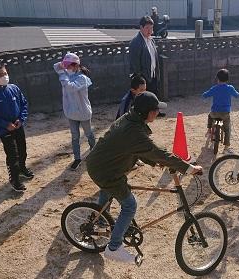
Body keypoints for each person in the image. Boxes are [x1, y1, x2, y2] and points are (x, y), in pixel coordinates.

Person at [86, 91, 202, 263]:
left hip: (101, 163)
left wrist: (155, 161)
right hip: (107, 171)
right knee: (130, 205)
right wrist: (188, 168)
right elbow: (155, 151)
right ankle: (113, 247)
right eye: (155, 110)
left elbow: (140, 149)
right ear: (146, 112)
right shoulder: (133, 131)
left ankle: (96, 220)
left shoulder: (130, 119)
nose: (157, 113)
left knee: (108, 192)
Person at [0, 62, 34, 192]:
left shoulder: (14, 88)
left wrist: (21, 119)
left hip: (18, 126)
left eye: (5, 73)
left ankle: (22, 168)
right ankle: (15, 180)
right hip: (4, 130)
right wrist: (5, 124)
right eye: (1, 74)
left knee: (22, 150)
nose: (5, 76)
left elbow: (24, 104)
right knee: (12, 155)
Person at [54, 52, 96, 171]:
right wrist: (63, 64)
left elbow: (70, 87)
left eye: (69, 65)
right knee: (75, 136)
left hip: (83, 113)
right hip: (71, 112)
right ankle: (77, 158)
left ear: (76, 65)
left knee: (89, 133)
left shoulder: (82, 78)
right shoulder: (67, 74)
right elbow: (55, 66)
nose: (66, 68)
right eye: (66, 66)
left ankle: (95, 151)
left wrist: (63, 73)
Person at [129, 16, 165, 117]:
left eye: (151, 28)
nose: (150, 31)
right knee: (143, 96)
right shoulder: (136, 42)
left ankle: (155, 111)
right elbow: (134, 62)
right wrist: (140, 77)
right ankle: (144, 114)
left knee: (154, 93)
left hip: (152, 73)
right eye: (147, 28)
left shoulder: (151, 40)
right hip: (143, 76)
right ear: (141, 27)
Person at [202, 69, 239, 152]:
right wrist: (236, 94)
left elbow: (205, 95)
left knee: (209, 116)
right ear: (227, 79)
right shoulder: (230, 88)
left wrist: (205, 94)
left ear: (217, 78)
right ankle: (226, 147)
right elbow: (237, 96)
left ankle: (209, 130)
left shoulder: (214, 88)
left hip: (214, 113)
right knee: (227, 129)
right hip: (225, 114)